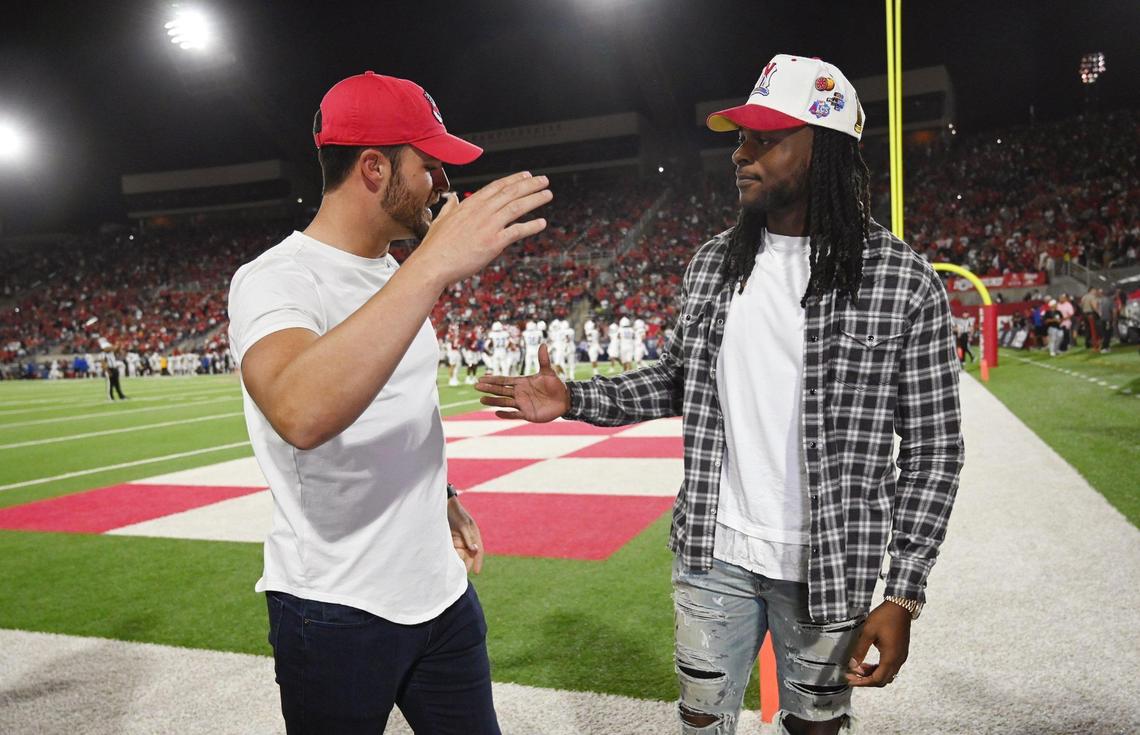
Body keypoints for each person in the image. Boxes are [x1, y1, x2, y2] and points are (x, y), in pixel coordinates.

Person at [476, 54, 964, 735]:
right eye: (741, 137)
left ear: (822, 149)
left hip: (831, 560)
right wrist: (575, 399)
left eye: (765, 138)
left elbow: (935, 449)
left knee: (816, 728)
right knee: (701, 722)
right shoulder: (714, 263)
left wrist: (904, 592)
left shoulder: (903, 281)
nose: (741, 153)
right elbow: (680, 378)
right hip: (714, 553)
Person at [227, 71, 552, 734]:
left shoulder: (392, 272)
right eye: (428, 165)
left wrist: (444, 493)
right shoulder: (275, 278)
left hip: (439, 592)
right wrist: (434, 264)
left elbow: (395, 406)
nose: (440, 184)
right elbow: (299, 410)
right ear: (374, 167)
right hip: (335, 608)